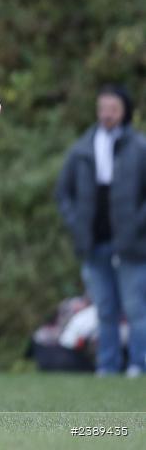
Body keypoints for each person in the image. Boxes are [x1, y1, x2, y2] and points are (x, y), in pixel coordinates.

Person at [55, 85, 146, 377]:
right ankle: (107, 366)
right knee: (104, 309)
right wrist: (76, 223)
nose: (107, 114)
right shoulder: (83, 148)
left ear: (124, 111)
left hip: (132, 244)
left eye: (113, 109)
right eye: (102, 108)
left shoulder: (139, 148)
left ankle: (139, 365)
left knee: (136, 308)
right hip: (94, 243)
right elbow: (63, 192)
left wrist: (137, 224)